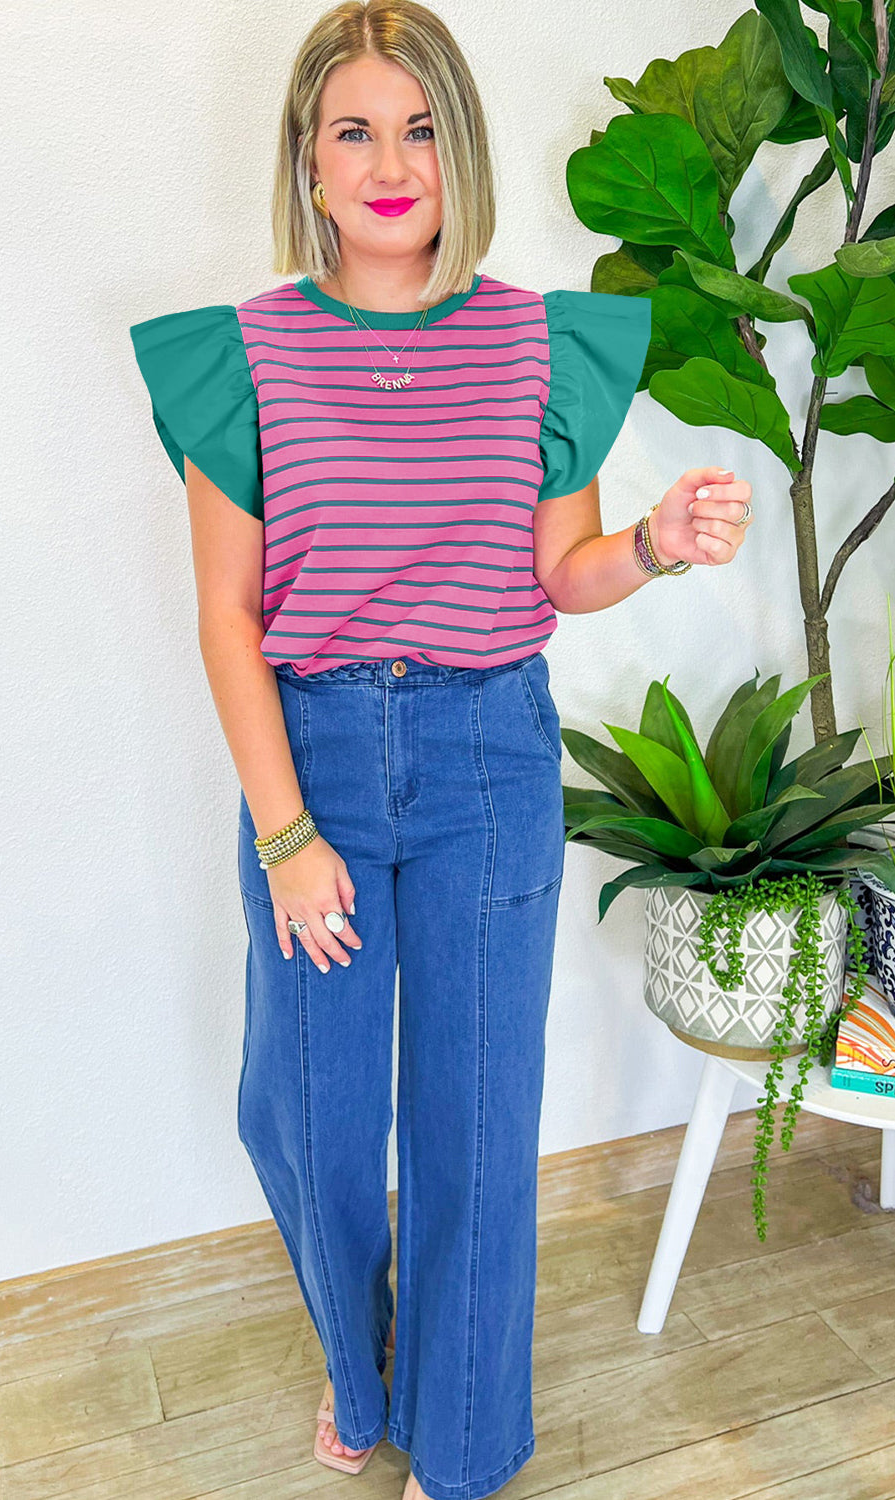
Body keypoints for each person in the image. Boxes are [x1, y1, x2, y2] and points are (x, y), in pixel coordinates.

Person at [128, 3, 753, 1495]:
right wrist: (287, 834)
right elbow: (226, 619)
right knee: (308, 1113)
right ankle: (365, 1366)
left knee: (473, 1116)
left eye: (419, 127)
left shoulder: (542, 343)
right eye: (354, 128)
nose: (389, 160)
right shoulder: (246, 357)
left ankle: (462, 1445)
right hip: (317, 756)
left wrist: (649, 548)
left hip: (485, 759)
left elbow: (557, 575)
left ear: (456, 149)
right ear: (308, 156)